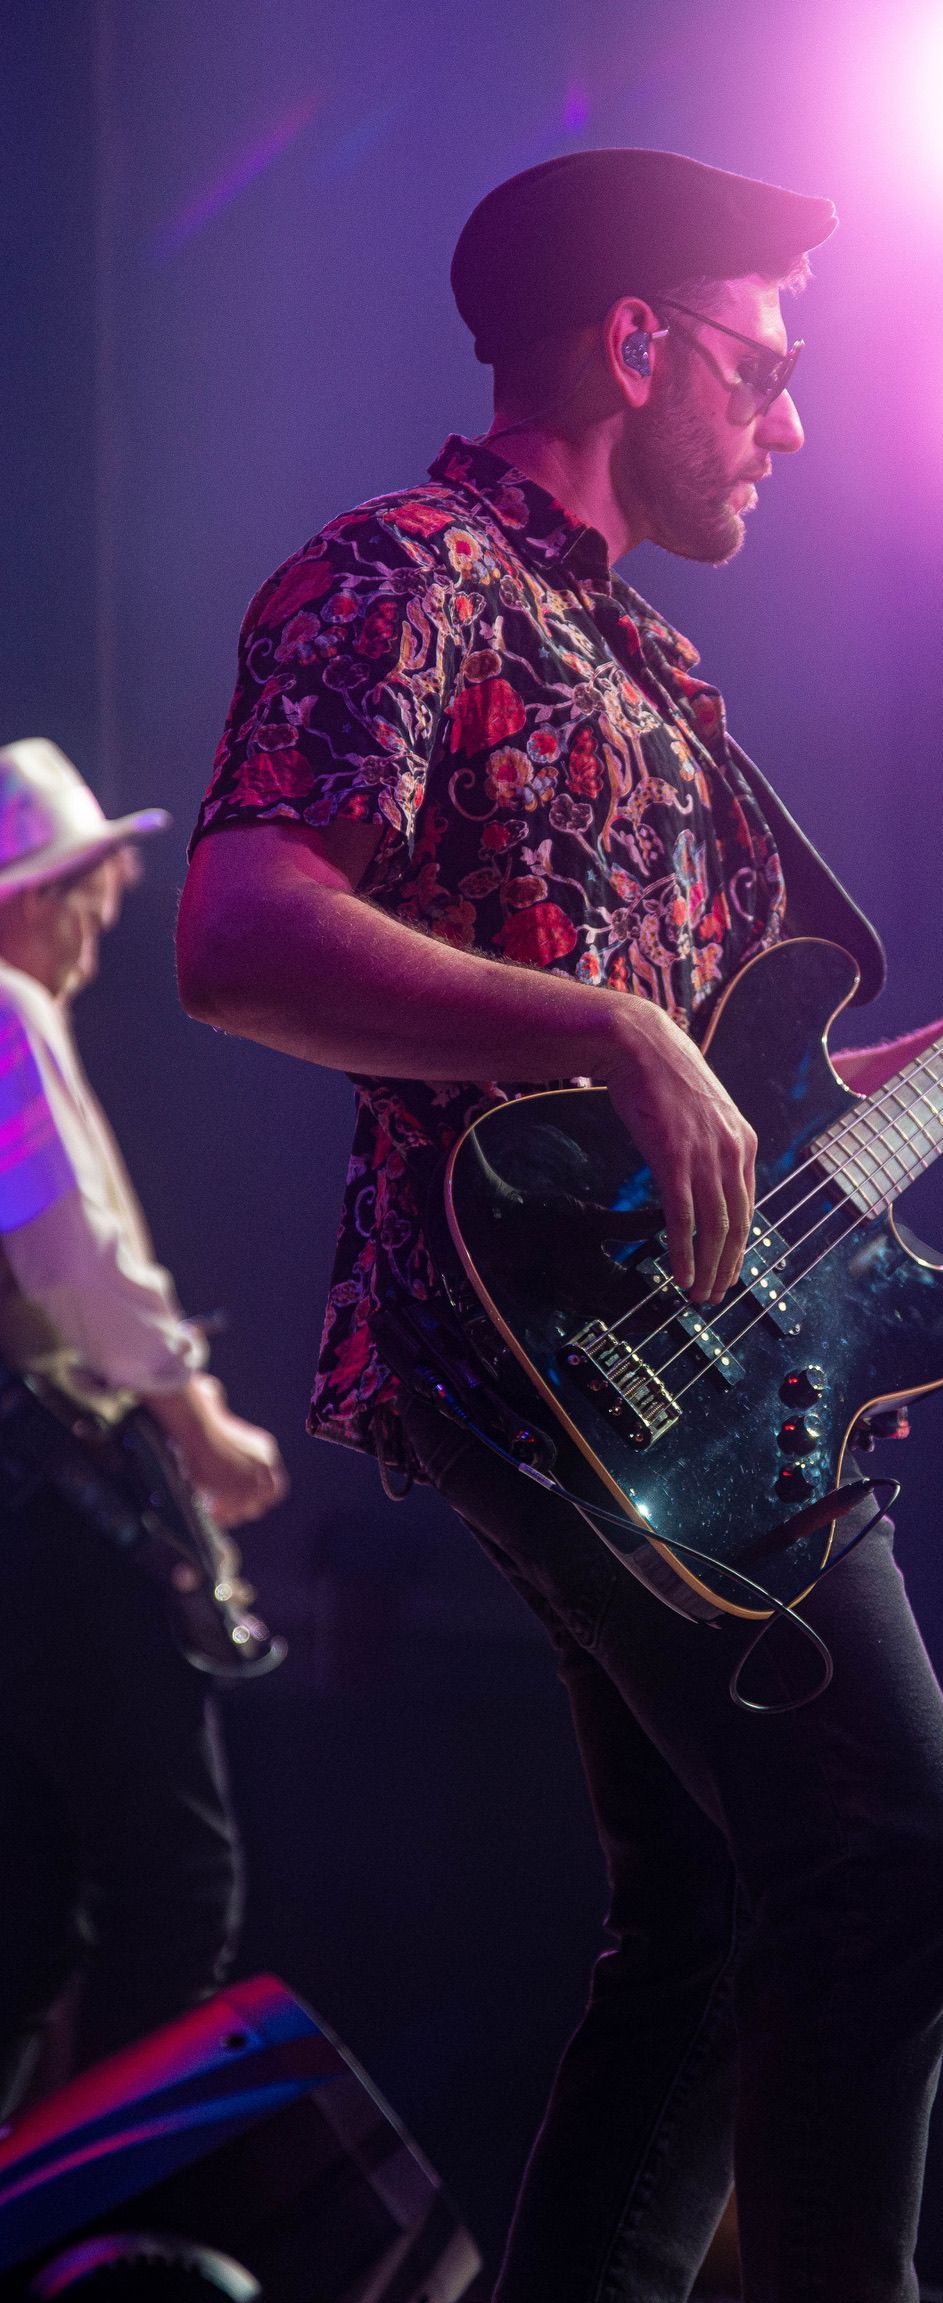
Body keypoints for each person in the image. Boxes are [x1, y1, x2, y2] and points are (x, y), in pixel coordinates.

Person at [176, 148, 943, 2303]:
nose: (795, 421)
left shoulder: (654, 672)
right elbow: (239, 934)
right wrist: (607, 1027)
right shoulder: (401, 577)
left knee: (718, 1918)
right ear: (636, 343)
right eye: (766, 365)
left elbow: (769, 1120)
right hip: (533, 1350)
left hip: (705, 1368)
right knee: (897, 1856)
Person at [0, 737, 287, 2118]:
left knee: (29, 1901)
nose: (93, 943)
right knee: (176, 1886)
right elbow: (69, 1250)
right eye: (89, 908)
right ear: (28, 894)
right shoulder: (1, 1003)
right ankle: (93, 2232)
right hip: (49, 1511)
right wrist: (198, 1416)